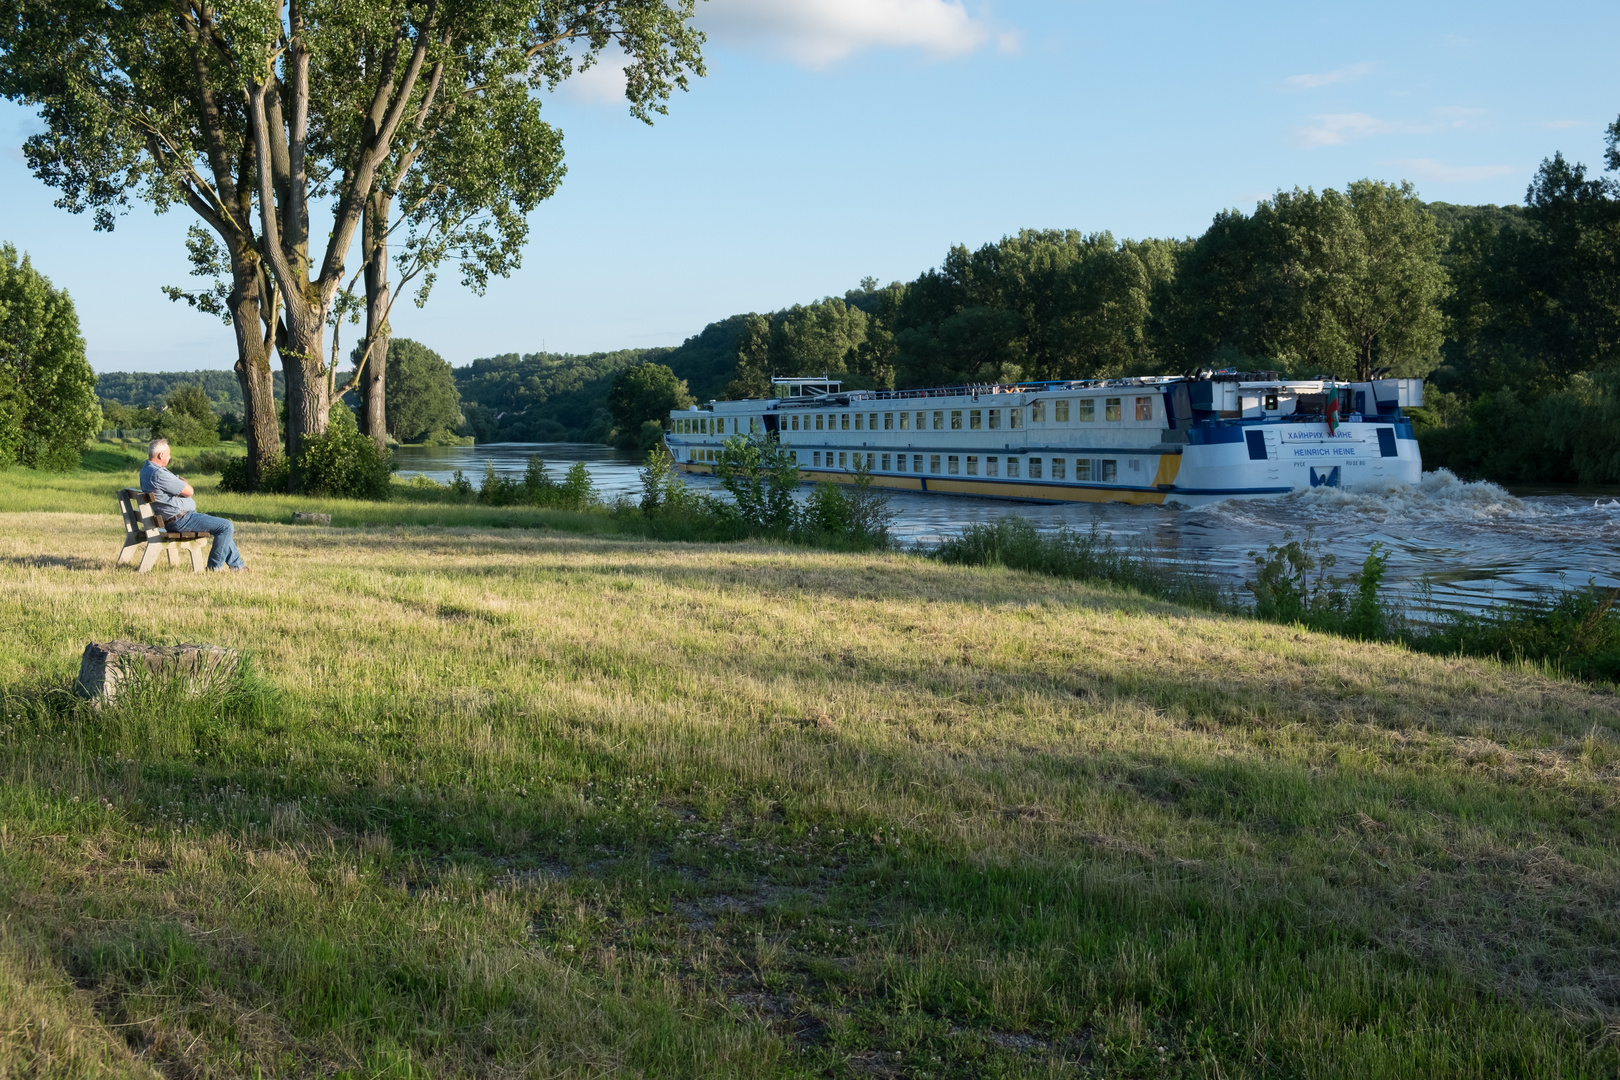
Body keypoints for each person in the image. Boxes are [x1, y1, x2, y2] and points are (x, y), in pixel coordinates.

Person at [139, 438, 248, 572]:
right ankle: (215, 568)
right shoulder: (158, 473)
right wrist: (179, 481)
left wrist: (177, 483)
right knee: (226, 526)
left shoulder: (147, 470)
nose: (170, 456)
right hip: (180, 520)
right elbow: (189, 491)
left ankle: (237, 566)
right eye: (168, 454)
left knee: (221, 525)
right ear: (161, 455)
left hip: (174, 518)